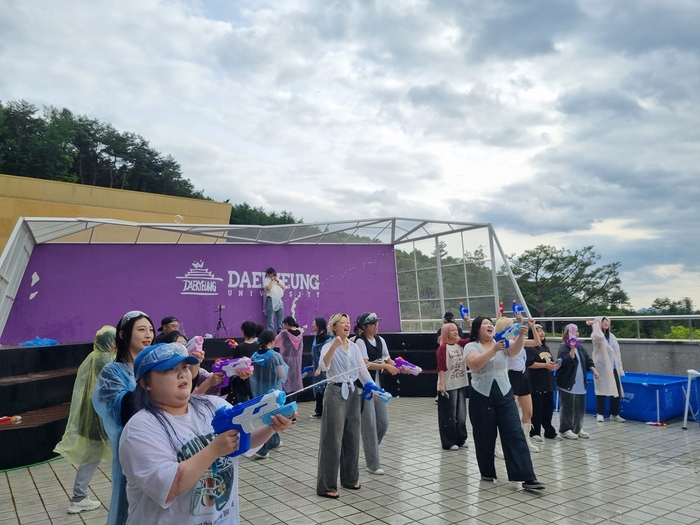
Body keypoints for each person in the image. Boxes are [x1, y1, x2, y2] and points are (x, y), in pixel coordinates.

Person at [119, 342, 294, 524]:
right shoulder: (140, 429)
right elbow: (169, 486)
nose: (182, 374)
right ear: (146, 383)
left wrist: (271, 424)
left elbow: (246, 441)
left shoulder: (212, 405)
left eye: (185, 367)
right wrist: (214, 449)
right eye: (168, 370)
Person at [464, 316, 544, 490]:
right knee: (484, 435)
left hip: (504, 390)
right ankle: (487, 471)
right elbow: (475, 364)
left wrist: (521, 335)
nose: (489, 326)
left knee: (514, 432)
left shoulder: (501, 341)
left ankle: (527, 477)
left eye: (490, 324)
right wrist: (494, 348)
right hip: (481, 393)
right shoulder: (471, 346)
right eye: (485, 324)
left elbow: (514, 351)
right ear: (477, 329)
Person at [93, 311, 155, 525]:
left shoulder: (155, 369)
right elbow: (120, 410)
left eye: (151, 330)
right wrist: (148, 379)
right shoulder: (112, 371)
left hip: (158, 445)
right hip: (131, 447)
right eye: (141, 329)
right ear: (123, 334)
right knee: (128, 503)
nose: (148, 335)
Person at [54, 326, 116, 515]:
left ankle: (79, 496)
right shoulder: (107, 360)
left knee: (93, 456)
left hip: (90, 417)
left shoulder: (94, 357)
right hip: (99, 418)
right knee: (97, 456)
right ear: (110, 342)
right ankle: (79, 497)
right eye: (115, 341)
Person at [316, 313, 374, 499]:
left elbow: (361, 370)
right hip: (335, 393)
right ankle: (326, 485)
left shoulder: (355, 347)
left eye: (348, 322)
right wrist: (334, 346)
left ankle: (350, 478)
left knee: (352, 436)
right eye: (343, 323)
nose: (347, 325)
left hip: (352, 393)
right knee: (332, 439)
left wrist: (371, 386)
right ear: (334, 327)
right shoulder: (327, 345)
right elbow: (323, 366)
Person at [355, 312, 398, 475]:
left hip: (378, 389)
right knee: (369, 426)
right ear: (364, 327)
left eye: (377, 322)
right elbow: (365, 365)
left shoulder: (381, 340)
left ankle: (370, 451)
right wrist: (386, 366)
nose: (376, 325)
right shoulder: (360, 342)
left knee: (383, 422)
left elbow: (389, 360)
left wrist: (402, 366)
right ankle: (373, 464)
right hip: (365, 389)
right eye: (372, 323)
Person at [495, 316, 540, 453]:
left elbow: (537, 342)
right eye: (510, 325)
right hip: (510, 376)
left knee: (528, 412)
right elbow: (512, 350)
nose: (513, 327)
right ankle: (499, 443)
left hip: (523, 376)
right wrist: (518, 330)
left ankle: (525, 439)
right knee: (508, 413)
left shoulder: (520, 340)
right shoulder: (503, 342)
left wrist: (531, 326)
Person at [555, 324, 600, 440]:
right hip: (567, 383)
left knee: (580, 407)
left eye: (577, 332)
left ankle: (577, 428)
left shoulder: (581, 347)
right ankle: (565, 429)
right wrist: (572, 348)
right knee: (568, 407)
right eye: (574, 332)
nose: (576, 334)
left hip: (580, 382)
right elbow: (568, 362)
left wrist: (594, 371)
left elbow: (588, 360)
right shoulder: (563, 347)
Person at [249, 330, 289, 458]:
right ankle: (262, 449)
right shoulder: (275, 356)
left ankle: (274, 441)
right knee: (271, 416)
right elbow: (282, 375)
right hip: (272, 391)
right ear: (272, 342)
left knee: (262, 416)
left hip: (258, 391)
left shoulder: (254, 356)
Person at [525, 323, 561, 441]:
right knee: (537, 408)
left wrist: (553, 365)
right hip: (536, 383)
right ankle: (535, 431)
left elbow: (549, 361)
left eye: (542, 331)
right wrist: (545, 365)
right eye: (538, 331)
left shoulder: (545, 347)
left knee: (547, 408)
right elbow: (530, 364)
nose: (541, 333)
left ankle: (549, 430)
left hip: (548, 382)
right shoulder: (529, 348)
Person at [436, 322, 469, 451]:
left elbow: (471, 339)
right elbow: (441, 367)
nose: (455, 332)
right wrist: (442, 384)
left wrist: (469, 324)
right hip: (449, 384)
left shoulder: (460, 344)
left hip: (461, 382)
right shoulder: (443, 348)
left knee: (461, 413)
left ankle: (461, 438)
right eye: (452, 330)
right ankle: (448, 441)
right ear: (445, 333)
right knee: (448, 414)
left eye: (456, 330)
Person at [158, 331, 223, 396]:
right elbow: (189, 396)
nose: (184, 348)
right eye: (179, 345)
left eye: (185, 344)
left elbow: (209, 377)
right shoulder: (165, 374)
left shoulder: (194, 368)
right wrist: (208, 383)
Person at [588, 316, 626, 423]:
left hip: (613, 367)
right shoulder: (595, 334)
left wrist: (620, 368)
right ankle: (600, 413)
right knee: (601, 390)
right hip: (601, 367)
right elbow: (599, 337)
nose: (605, 323)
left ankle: (614, 414)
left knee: (616, 391)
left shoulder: (612, 337)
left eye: (607, 322)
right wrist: (594, 325)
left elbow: (617, 352)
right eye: (603, 322)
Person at [274, 316, 303, 400]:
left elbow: (274, 341)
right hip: (297, 361)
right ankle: (294, 402)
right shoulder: (300, 333)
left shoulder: (284, 333)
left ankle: (287, 401)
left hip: (285, 360)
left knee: (285, 381)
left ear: (286, 324)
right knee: (295, 381)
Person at [309, 317, 332, 419]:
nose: (312, 326)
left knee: (324, 389)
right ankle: (319, 410)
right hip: (317, 369)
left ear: (319, 325)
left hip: (324, 370)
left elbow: (325, 356)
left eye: (314, 324)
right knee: (318, 389)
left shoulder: (326, 339)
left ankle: (323, 411)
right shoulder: (316, 337)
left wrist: (320, 367)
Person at [262, 267, 285, 333]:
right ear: (268, 274)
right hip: (271, 300)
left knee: (280, 318)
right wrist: (272, 280)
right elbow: (268, 288)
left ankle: (280, 332)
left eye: (273, 273)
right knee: (271, 318)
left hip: (279, 300)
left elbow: (283, 287)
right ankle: (271, 333)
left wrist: (277, 281)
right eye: (270, 274)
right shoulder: (266, 280)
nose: (272, 275)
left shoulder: (279, 280)